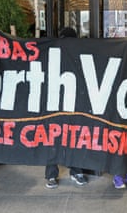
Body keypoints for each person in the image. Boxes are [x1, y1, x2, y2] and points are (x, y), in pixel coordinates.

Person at [45, 27, 88, 189]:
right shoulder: (53, 53)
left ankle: (61, 174)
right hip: (56, 102)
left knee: (69, 138)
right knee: (56, 139)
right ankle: (56, 174)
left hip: (70, 102)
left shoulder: (77, 54)